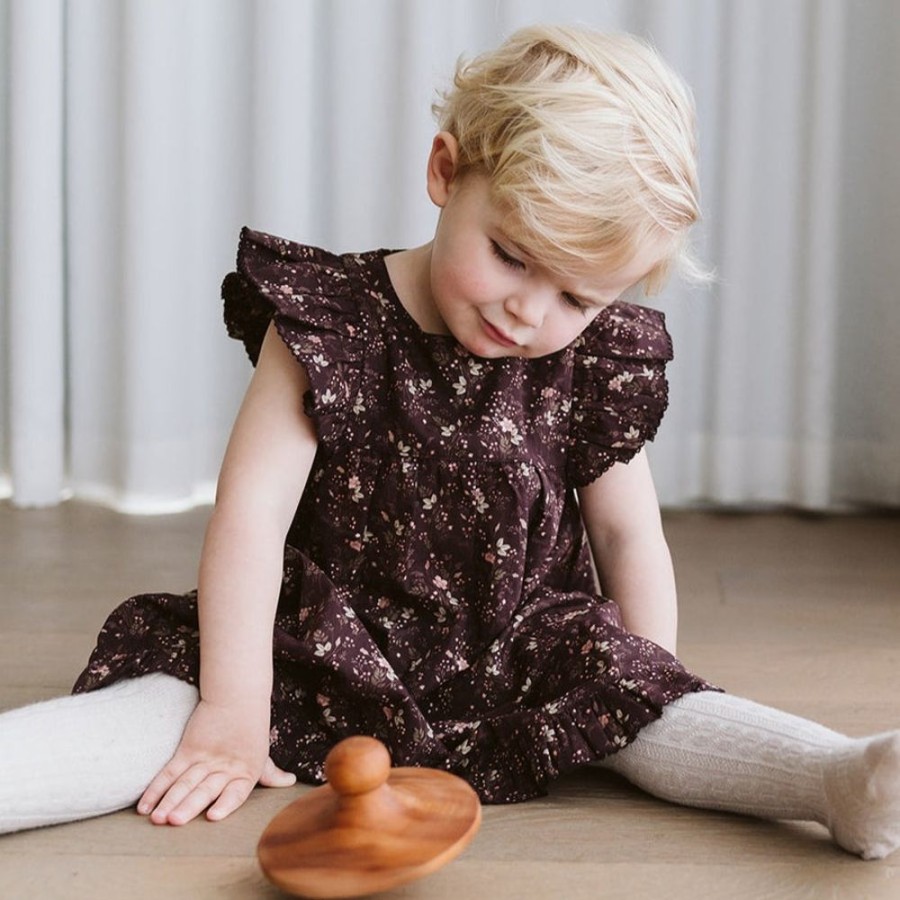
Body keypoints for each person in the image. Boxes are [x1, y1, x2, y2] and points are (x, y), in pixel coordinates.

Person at [1, 24, 898, 860]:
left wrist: (637, 682)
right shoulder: (331, 323)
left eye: (577, 299)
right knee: (167, 704)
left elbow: (630, 534)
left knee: (672, 709)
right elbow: (250, 519)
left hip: (517, 645)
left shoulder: (591, 359)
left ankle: (835, 779)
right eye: (511, 256)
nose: (530, 311)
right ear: (445, 171)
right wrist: (236, 708)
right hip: (315, 639)